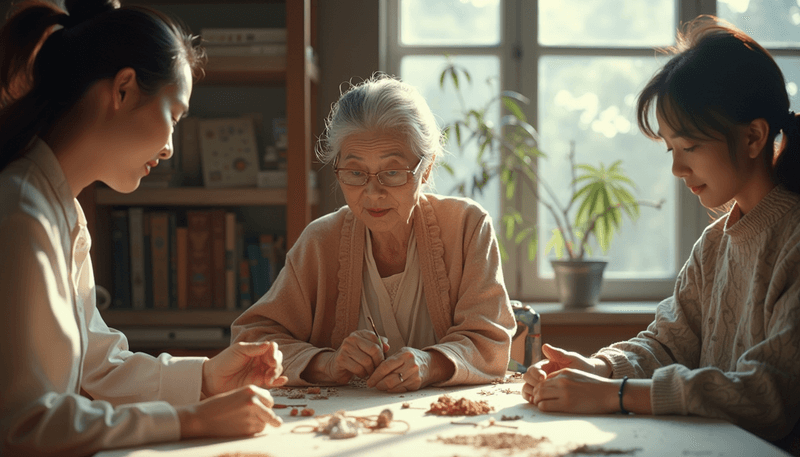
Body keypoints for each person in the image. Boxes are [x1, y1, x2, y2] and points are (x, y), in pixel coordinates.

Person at [0, 1, 288, 455]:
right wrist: (189, 420)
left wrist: (208, 377)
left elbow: (97, 363)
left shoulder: (61, 211)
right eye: (173, 116)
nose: (172, 147)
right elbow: (22, 425)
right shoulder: (19, 213)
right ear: (124, 90)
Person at [520, 16, 800, 454]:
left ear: (753, 136)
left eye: (690, 147)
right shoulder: (713, 245)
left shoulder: (794, 241)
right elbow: (667, 344)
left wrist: (616, 396)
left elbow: (769, 394)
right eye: (672, 149)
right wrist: (598, 368)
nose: (677, 169)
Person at [231, 74, 516, 392]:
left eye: (392, 172)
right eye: (354, 172)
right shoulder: (320, 240)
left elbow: (490, 339)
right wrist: (328, 363)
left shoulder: (467, 227)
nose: (372, 193)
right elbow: (252, 339)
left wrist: (430, 364)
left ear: (427, 169)